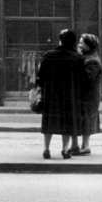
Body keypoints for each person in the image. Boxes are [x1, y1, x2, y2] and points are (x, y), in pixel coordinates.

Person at [36, 29, 83, 159]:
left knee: (49, 122)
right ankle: (65, 150)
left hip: (51, 95)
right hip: (70, 96)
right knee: (67, 122)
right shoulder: (78, 57)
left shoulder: (49, 54)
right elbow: (83, 78)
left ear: (61, 40)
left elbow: (41, 74)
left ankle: (46, 150)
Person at [75, 33, 102, 156]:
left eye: (82, 43)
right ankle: (83, 146)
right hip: (86, 96)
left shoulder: (92, 61)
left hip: (89, 97)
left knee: (86, 120)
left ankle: (85, 146)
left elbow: (87, 80)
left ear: (89, 45)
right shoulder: (88, 57)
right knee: (84, 120)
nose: (79, 44)